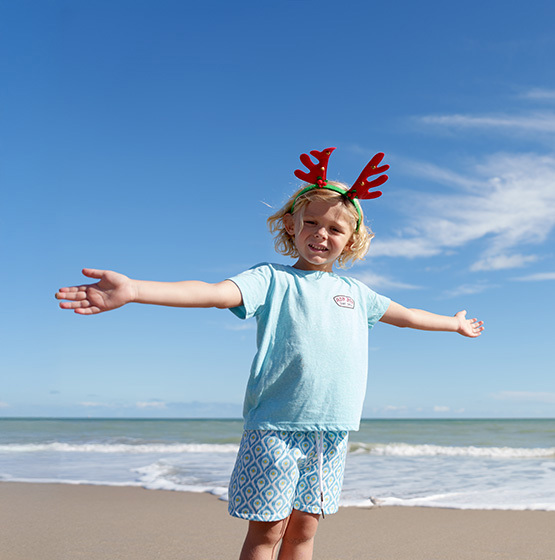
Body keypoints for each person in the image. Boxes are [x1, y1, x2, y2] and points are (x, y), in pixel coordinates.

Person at [56, 147, 484, 560]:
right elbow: (211, 293)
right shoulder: (271, 280)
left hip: (331, 433)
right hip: (275, 429)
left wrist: (454, 323)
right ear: (290, 228)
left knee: (304, 530)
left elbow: (408, 316)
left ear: (351, 240)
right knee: (268, 530)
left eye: (335, 228)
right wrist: (135, 290)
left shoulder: (357, 294)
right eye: (311, 222)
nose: (321, 234)